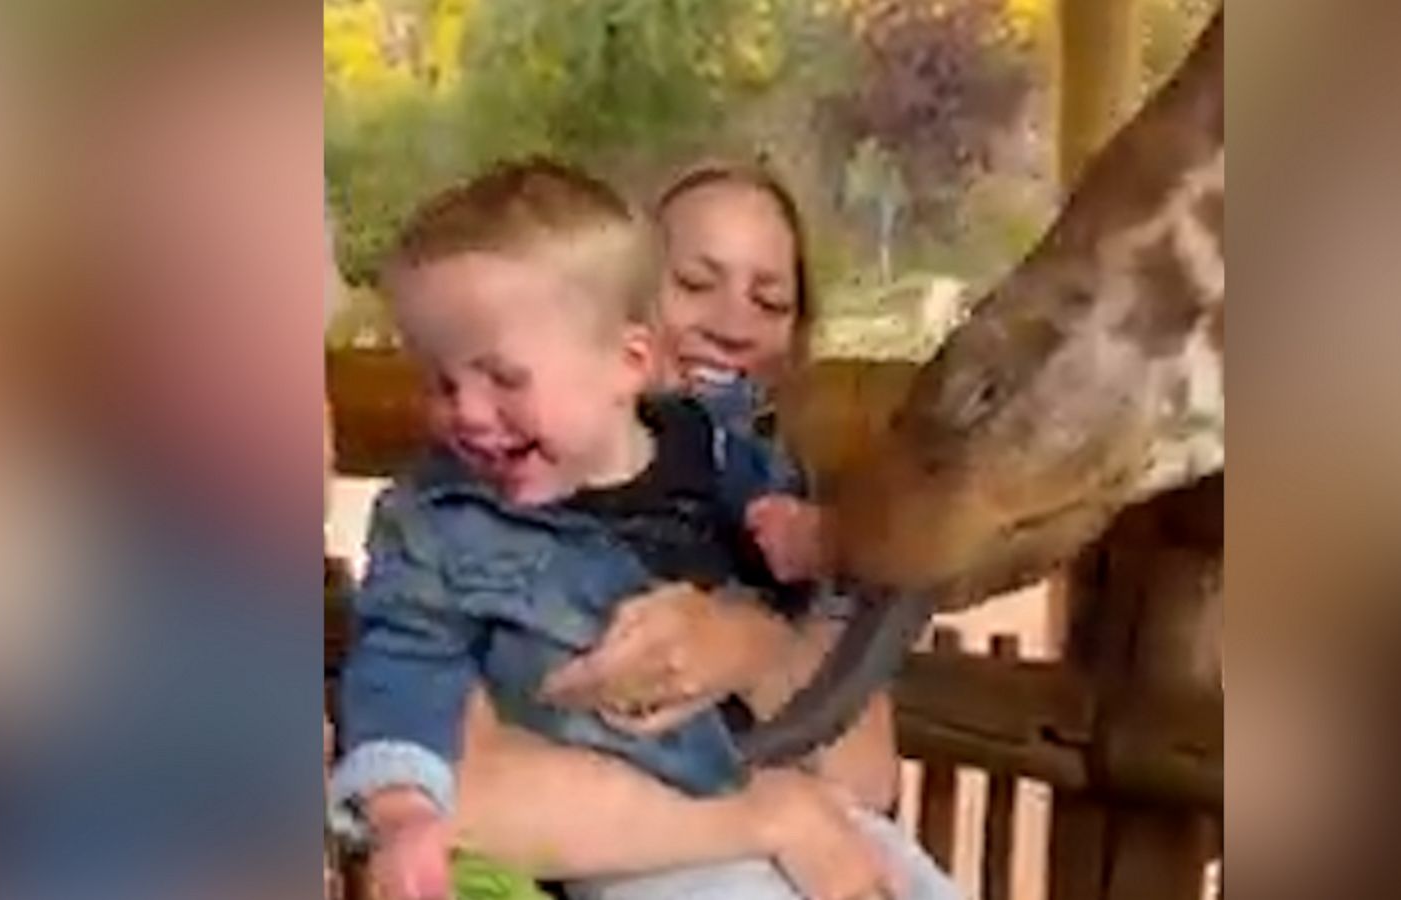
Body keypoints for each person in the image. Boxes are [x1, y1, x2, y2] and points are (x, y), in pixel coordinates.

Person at [330, 159, 957, 900]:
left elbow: (859, 762)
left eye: (770, 298)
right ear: (634, 313)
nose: (731, 324)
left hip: (812, 820)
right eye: (693, 283)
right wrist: (403, 806)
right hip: (650, 863)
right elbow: (432, 728)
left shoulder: (732, 463)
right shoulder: (447, 523)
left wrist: (810, 562)